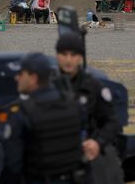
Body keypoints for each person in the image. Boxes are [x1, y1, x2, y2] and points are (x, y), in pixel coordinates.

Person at [0, 52, 86, 184]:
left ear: (33, 78)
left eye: (21, 74)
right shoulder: (73, 104)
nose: (16, 78)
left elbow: (13, 166)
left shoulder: (22, 112)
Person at [55, 33, 124, 184]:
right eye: (64, 54)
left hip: (84, 156)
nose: (68, 60)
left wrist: (97, 142)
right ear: (57, 56)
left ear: (80, 57)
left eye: (73, 55)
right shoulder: (47, 85)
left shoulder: (93, 87)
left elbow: (112, 122)